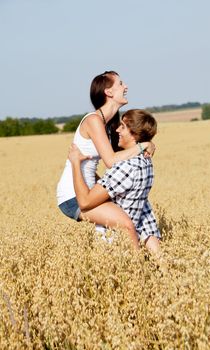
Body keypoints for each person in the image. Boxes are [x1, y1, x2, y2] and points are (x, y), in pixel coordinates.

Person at [57, 71, 155, 249]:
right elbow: (111, 161)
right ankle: (140, 271)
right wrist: (143, 146)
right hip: (73, 196)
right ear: (108, 92)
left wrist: (146, 144)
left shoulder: (110, 124)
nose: (125, 87)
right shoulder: (93, 121)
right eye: (120, 84)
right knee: (126, 225)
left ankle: (155, 263)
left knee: (139, 217)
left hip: (93, 192)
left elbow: (124, 158)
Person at [68, 109, 161, 254]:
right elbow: (145, 214)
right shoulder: (146, 162)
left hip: (113, 244)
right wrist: (161, 262)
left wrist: (75, 163)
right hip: (129, 240)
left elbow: (85, 201)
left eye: (123, 126)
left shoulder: (126, 167)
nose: (117, 129)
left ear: (134, 135)